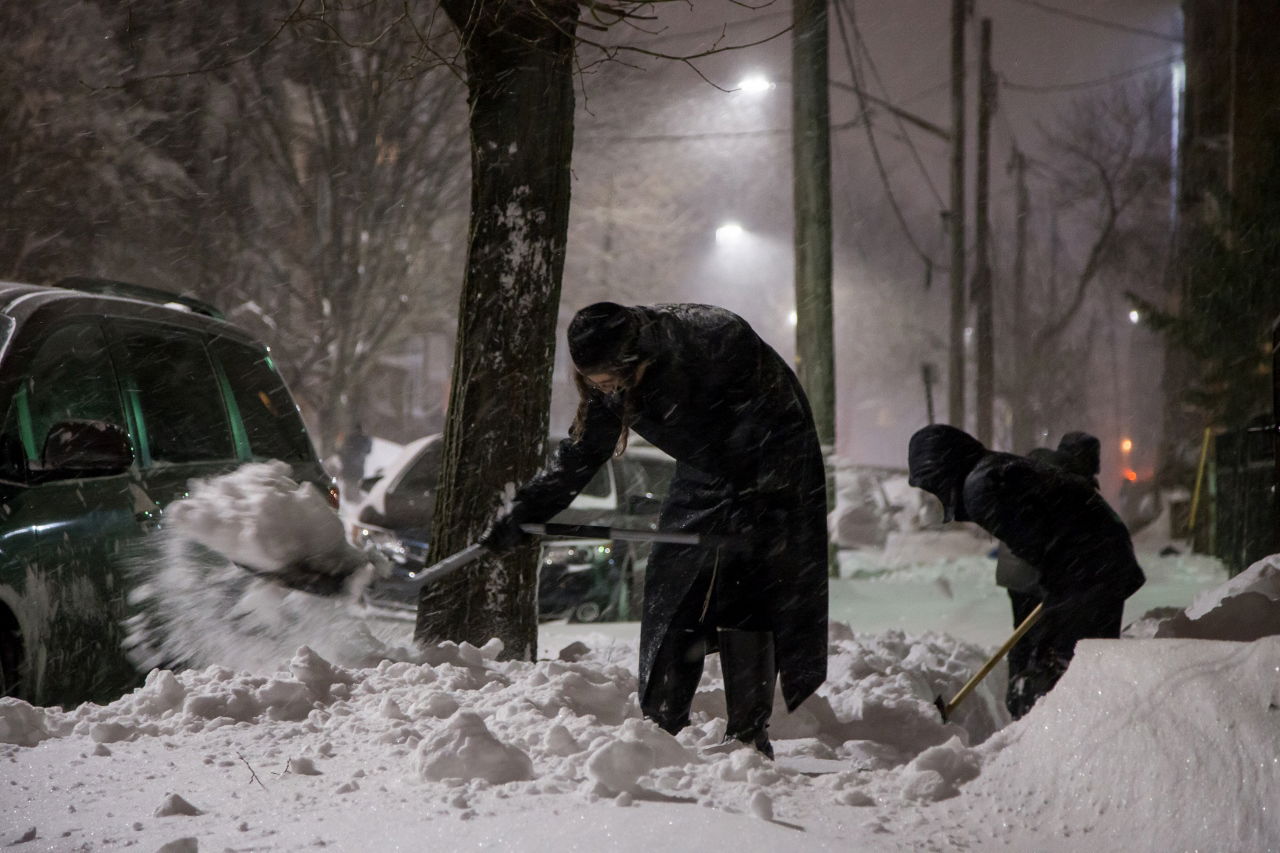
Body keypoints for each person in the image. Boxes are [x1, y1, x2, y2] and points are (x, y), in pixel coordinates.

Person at [480, 302, 829, 758]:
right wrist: (526, 510)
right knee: (672, 582)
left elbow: (764, 420)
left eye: (610, 380)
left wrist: (755, 500)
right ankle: (662, 726)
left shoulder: (716, 340)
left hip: (775, 459)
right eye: (594, 383)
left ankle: (747, 735)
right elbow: (585, 451)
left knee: (745, 587)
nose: (605, 390)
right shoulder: (615, 382)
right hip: (705, 467)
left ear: (635, 359)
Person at [908, 424, 1144, 718]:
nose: (935, 493)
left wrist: (1057, 595)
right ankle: (1053, 730)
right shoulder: (992, 469)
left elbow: (1039, 544)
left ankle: (1062, 737)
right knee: (1073, 659)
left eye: (932, 484)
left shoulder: (981, 486)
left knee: (1064, 665)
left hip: (1090, 568)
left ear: (943, 469)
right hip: (1097, 562)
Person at [994, 431, 1103, 718]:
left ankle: (1018, 698)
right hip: (1038, 570)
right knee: (1048, 640)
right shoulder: (1070, 483)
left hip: (1014, 568)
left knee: (1024, 635)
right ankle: (1033, 706)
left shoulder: (1037, 471)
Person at [338, 422, 372, 500]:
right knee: (354, 483)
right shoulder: (365, 439)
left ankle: (349, 498)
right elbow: (369, 450)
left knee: (349, 483)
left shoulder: (349, 438)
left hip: (348, 466)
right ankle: (354, 498)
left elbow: (342, 451)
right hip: (358, 467)